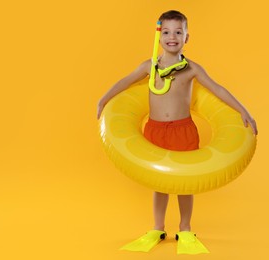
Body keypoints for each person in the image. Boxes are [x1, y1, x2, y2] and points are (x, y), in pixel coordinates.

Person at [97, 10, 258, 254]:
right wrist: (103, 100)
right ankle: (157, 227)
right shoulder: (149, 66)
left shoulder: (191, 69)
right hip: (155, 129)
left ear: (187, 37)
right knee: (159, 183)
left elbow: (217, 89)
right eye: (167, 32)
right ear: (159, 36)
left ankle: (185, 228)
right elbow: (125, 81)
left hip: (183, 131)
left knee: (186, 183)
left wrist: (244, 110)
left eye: (178, 32)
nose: (172, 37)